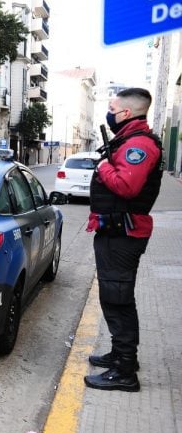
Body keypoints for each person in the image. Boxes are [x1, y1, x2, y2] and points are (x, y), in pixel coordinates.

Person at [83, 87, 163, 392]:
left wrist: (103, 165)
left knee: (117, 298)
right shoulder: (129, 139)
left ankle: (125, 371)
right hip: (115, 231)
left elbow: (127, 186)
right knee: (115, 296)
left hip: (123, 233)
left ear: (126, 113)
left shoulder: (140, 144)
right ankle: (120, 355)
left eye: (112, 108)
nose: (109, 112)